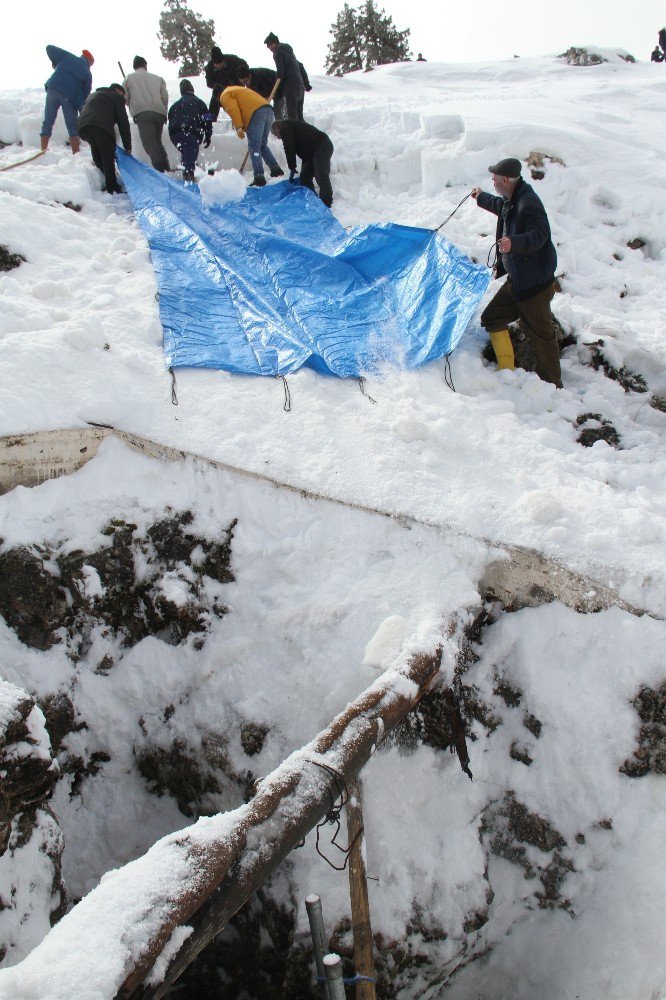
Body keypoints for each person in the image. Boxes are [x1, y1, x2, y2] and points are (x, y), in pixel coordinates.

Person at [471, 157, 562, 387]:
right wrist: (480, 196)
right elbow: (499, 207)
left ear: (505, 180)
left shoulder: (528, 203)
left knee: (542, 338)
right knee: (492, 318)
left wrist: (515, 243)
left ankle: (553, 386)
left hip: (534, 287)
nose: (492, 181)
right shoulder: (511, 198)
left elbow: (540, 235)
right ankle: (507, 370)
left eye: (494, 178)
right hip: (518, 281)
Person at [220, 85, 283, 187]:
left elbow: (233, 108)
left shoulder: (224, 95)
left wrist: (239, 127)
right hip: (268, 110)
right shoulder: (236, 89)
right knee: (262, 145)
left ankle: (259, 178)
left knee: (254, 147)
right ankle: (276, 169)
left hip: (256, 113)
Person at [78, 83, 131, 194]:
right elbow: (123, 122)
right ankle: (112, 188)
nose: (123, 98)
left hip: (83, 127)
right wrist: (127, 146)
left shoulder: (94, 95)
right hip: (101, 126)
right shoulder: (116, 97)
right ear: (117, 90)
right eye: (122, 95)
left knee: (97, 150)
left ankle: (107, 178)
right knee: (107, 156)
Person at [40, 45, 94, 153]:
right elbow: (85, 93)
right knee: (72, 125)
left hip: (53, 89)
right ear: (89, 62)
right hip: (69, 97)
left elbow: (49, 48)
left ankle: (43, 150)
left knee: (48, 121)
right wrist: (82, 110)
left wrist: (56, 62)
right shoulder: (87, 73)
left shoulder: (68, 57)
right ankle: (76, 152)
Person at [271, 119, 333, 208]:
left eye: (275, 134)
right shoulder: (291, 127)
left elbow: (289, 148)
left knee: (321, 174)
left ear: (277, 129)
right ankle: (313, 200)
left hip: (322, 146)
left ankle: (326, 203)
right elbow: (304, 146)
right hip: (311, 153)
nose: (277, 137)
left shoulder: (284, 127)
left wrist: (292, 167)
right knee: (305, 177)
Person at [122, 56, 169, 173]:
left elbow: (124, 98)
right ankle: (167, 168)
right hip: (159, 113)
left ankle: (161, 172)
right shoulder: (158, 78)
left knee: (150, 144)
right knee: (157, 142)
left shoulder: (128, 78)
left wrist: (133, 105)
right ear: (145, 65)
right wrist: (163, 110)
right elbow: (165, 96)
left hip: (142, 114)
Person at [168, 80, 212, 182]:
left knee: (186, 151)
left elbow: (170, 121)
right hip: (192, 132)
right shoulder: (200, 103)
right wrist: (208, 135)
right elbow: (208, 119)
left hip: (175, 134)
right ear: (192, 90)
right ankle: (189, 177)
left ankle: (187, 171)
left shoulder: (174, 106)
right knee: (190, 152)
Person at [264, 33, 305, 121]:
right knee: (299, 115)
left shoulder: (277, 52)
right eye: (268, 46)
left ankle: (294, 133)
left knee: (292, 116)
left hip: (290, 85)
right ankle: (303, 133)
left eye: (271, 44)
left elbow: (280, 73)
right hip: (299, 85)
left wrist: (277, 93)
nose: (270, 48)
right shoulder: (289, 52)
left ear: (275, 42)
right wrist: (306, 83)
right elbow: (299, 65)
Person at [205, 46, 250, 122]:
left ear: (224, 60)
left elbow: (245, 67)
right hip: (221, 90)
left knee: (240, 105)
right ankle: (209, 121)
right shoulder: (209, 67)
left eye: (221, 63)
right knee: (214, 99)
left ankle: (243, 119)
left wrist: (239, 79)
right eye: (216, 64)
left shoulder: (233, 60)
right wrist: (220, 85)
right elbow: (209, 83)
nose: (219, 66)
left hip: (236, 87)